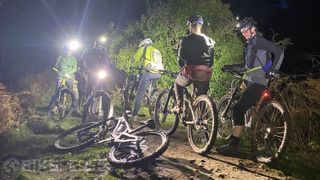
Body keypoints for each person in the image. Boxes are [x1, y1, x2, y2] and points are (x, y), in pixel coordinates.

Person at [216, 17, 284, 156]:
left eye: (246, 30)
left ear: (253, 29)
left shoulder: (258, 40)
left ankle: (233, 146)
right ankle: (248, 131)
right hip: (252, 81)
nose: (244, 34)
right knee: (245, 106)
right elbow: (245, 67)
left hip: (258, 82)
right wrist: (229, 67)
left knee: (237, 110)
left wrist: (273, 70)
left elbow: (279, 52)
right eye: (242, 32)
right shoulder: (249, 46)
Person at [172, 15, 215, 113]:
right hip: (205, 73)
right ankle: (202, 119)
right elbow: (211, 61)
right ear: (201, 26)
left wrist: (182, 66)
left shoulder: (186, 40)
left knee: (177, 83)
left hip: (191, 72)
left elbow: (181, 58)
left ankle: (179, 106)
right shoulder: (210, 41)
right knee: (202, 96)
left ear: (190, 26)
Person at [131, 38, 164, 121]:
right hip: (158, 73)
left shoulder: (143, 49)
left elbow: (135, 59)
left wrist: (132, 65)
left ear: (143, 44)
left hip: (149, 73)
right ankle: (153, 94)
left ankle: (134, 115)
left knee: (139, 93)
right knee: (150, 85)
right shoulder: (156, 50)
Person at [53, 41, 81, 116]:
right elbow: (56, 66)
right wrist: (59, 71)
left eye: (70, 51)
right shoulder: (61, 57)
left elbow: (74, 68)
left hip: (70, 76)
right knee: (57, 89)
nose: (68, 52)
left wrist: (67, 73)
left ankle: (76, 109)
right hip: (61, 75)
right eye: (67, 50)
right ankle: (55, 107)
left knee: (75, 91)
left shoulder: (73, 58)